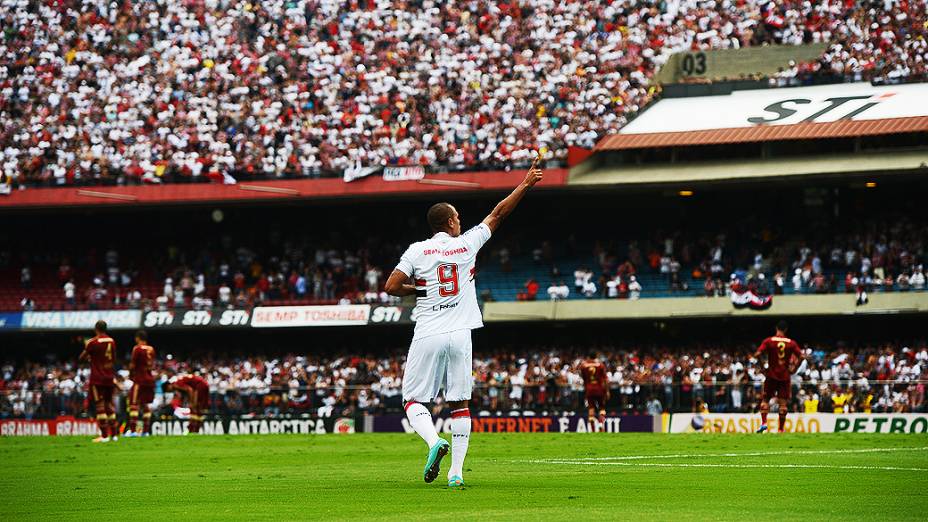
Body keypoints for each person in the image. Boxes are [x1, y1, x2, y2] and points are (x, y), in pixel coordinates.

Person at [384, 160, 543, 489]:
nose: (461, 221)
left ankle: (433, 442)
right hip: (461, 333)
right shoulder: (467, 243)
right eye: (458, 217)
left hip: (429, 330)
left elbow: (391, 286)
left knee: (413, 400)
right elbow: (498, 214)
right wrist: (526, 183)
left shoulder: (417, 251)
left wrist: (420, 288)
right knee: (460, 404)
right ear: (450, 222)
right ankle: (456, 473)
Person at [754, 320, 804, 433]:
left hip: (771, 374)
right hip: (785, 375)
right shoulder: (791, 343)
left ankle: (764, 423)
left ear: (776, 328)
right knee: (783, 404)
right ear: (786, 330)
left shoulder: (769, 341)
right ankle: (781, 429)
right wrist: (794, 369)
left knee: (765, 399)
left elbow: (757, 354)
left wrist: (762, 367)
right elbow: (801, 356)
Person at [78, 320, 118, 442]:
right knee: (109, 405)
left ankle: (104, 436)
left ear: (96, 329)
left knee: (100, 406)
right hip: (109, 377)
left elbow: (81, 358)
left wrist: (90, 357)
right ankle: (114, 435)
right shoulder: (112, 341)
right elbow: (113, 359)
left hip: (97, 378)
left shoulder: (92, 342)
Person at [125, 330, 156, 437]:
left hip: (140, 380)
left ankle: (133, 431)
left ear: (137, 338)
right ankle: (146, 432)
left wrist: (130, 375)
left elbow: (133, 365)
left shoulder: (136, 349)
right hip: (150, 380)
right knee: (145, 405)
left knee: (133, 404)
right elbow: (152, 365)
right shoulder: (151, 349)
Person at [579, 351, 609, 431]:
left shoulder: (584, 366)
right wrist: (607, 391)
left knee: (591, 408)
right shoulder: (600, 365)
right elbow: (605, 379)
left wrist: (586, 389)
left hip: (589, 389)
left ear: (589, 356)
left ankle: (592, 430)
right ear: (596, 356)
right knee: (601, 407)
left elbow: (584, 379)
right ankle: (600, 425)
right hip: (599, 389)